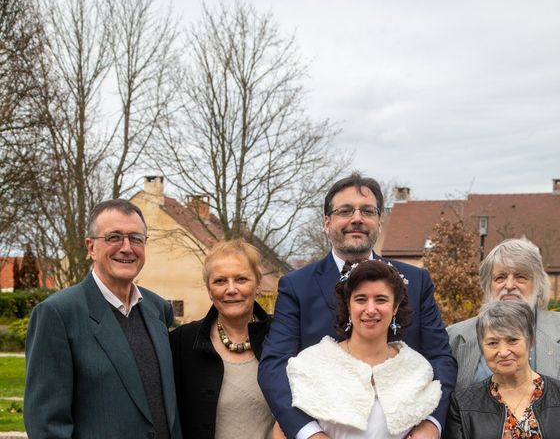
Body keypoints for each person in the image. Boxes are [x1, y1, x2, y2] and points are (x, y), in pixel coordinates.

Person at [258, 172, 456, 439]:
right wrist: (309, 433)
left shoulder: (416, 281)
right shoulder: (296, 286)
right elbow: (274, 366)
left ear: (378, 221)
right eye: (345, 211)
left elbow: (441, 358)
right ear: (327, 223)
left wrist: (431, 423)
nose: (357, 219)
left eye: (367, 211)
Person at [24, 199, 181, 439]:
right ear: (90, 247)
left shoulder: (158, 309)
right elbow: (47, 425)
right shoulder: (58, 314)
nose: (127, 248)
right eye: (114, 237)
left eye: (136, 238)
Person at [447, 238, 560, 438]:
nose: (509, 285)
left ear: (537, 284)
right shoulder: (455, 337)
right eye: (500, 277)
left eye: (520, 277)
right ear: (487, 285)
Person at [287, 260, 442, 439]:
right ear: (348, 305)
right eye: (361, 299)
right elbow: (282, 429)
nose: (370, 309)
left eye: (381, 299)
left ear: (395, 307)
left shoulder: (417, 369)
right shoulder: (312, 362)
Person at [170, 239, 274, 439]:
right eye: (220, 281)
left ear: (258, 284)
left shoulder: (282, 336)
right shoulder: (182, 343)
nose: (231, 289)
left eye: (241, 279)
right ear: (209, 290)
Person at [443, 301, 560, 439]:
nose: (503, 351)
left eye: (512, 340)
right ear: (482, 348)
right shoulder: (462, 405)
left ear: (531, 341)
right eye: (493, 343)